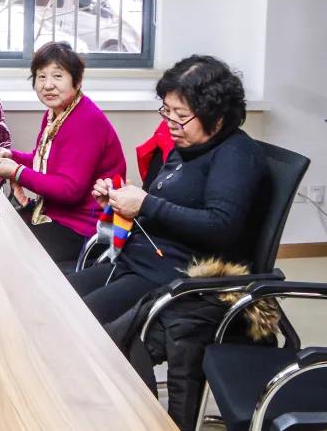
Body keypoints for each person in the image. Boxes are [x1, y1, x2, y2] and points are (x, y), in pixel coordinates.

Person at [66, 55, 265, 325]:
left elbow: (220, 225)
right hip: (138, 262)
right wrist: (119, 202)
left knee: (73, 321)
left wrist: (145, 203)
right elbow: (162, 208)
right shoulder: (186, 146)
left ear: (217, 118)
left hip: (177, 277)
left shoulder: (236, 154)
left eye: (181, 115)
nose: (170, 122)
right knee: (55, 297)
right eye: (167, 111)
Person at [0, 42, 125, 265]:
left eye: (57, 76)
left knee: (5, 253)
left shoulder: (86, 121)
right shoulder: (56, 113)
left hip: (81, 228)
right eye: (41, 77)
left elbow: (70, 190)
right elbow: (44, 163)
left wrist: (17, 172)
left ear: (77, 81)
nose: (48, 85)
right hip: (55, 215)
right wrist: (12, 157)